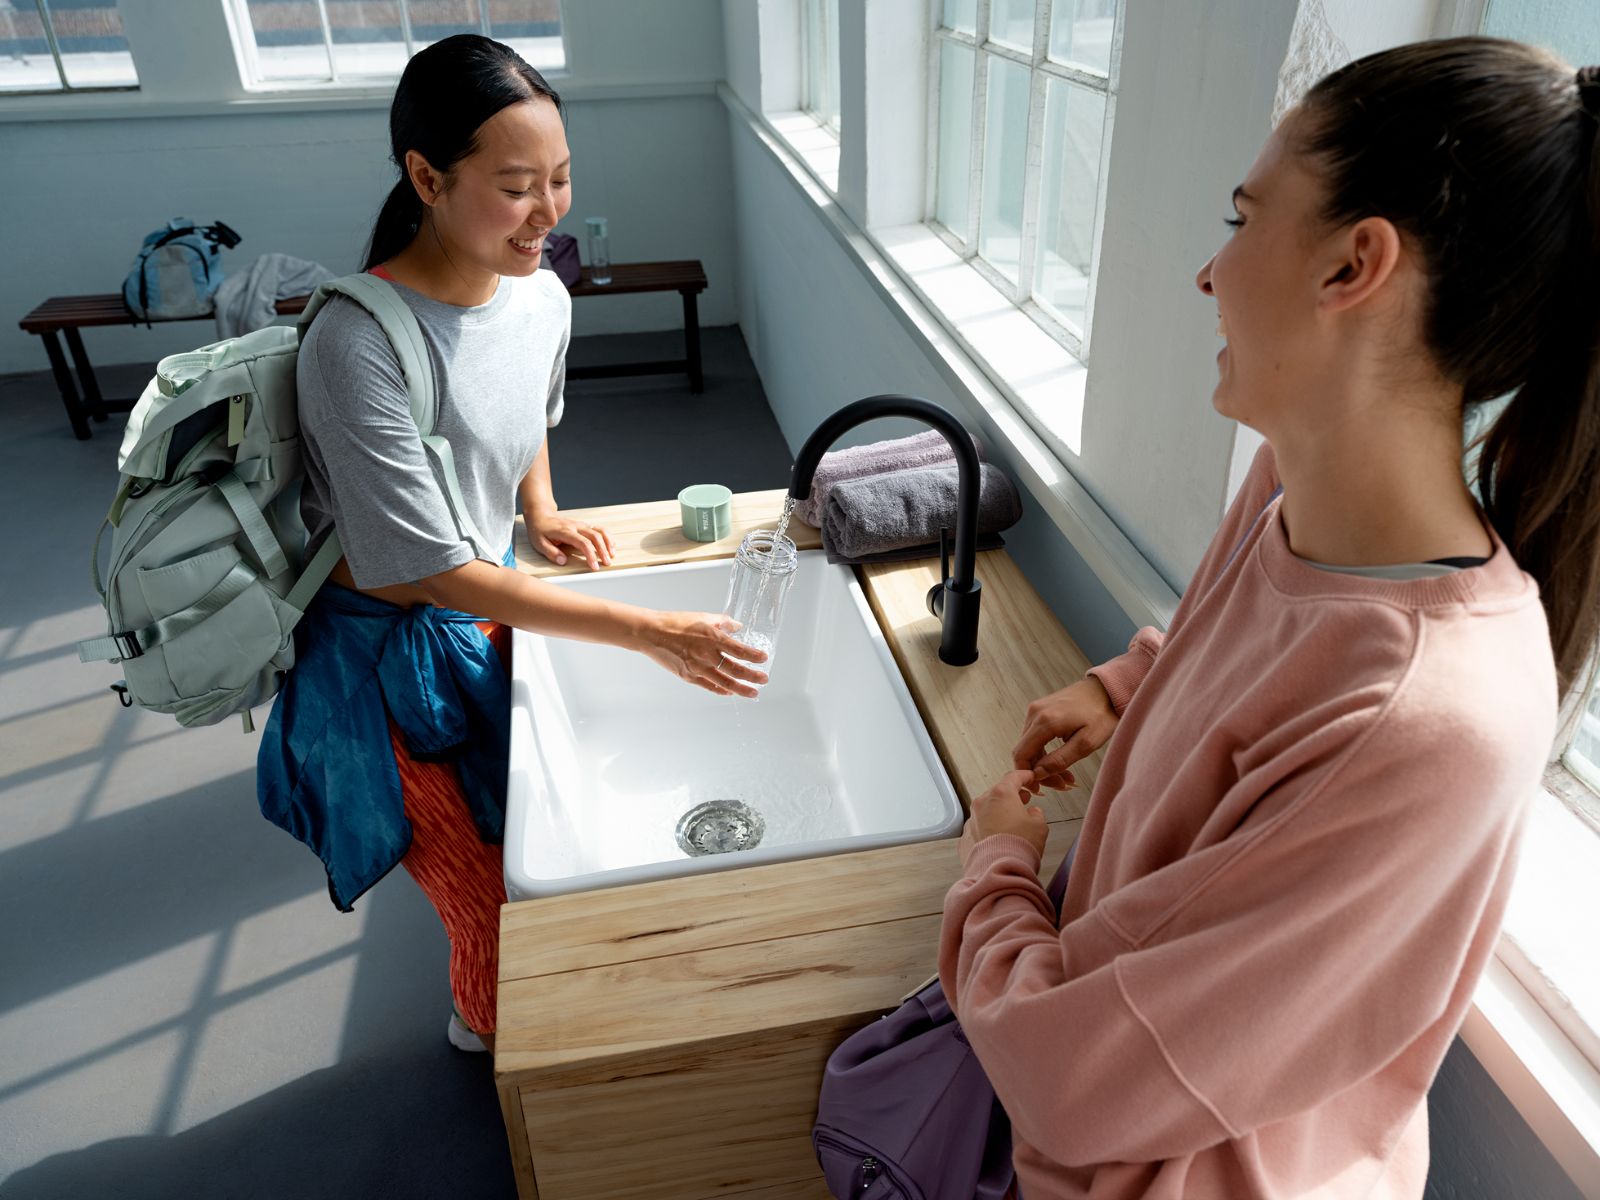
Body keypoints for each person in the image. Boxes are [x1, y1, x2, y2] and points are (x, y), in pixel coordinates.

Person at [941, 38, 1597, 1198]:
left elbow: (1065, 1079)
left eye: (1242, 218)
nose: (1208, 271)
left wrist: (995, 865)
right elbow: (1247, 638)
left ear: (1355, 264)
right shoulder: (1295, 490)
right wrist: (1125, 685)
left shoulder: (1433, 718)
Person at [257, 35, 767, 1054]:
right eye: (517, 186)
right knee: (493, 910)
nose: (550, 211)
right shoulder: (353, 344)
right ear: (426, 178)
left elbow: (527, 407)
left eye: (563, 179)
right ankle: (504, 1054)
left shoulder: (539, 293)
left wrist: (538, 509)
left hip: (482, 613)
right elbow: (429, 570)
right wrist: (644, 631)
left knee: (539, 850)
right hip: (378, 666)